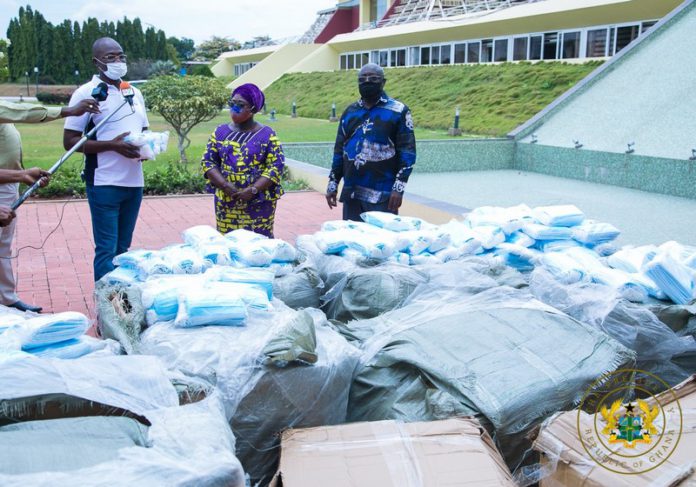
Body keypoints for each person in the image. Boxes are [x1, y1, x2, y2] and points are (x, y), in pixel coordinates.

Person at [0, 98, 98, 312]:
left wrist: (21, 175)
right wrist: (68, 111)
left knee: (3, 246)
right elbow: (23, 112)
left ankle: (6, 299)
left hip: (7, 184)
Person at [64, 37, 149, 282]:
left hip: (134, 182)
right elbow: (70, 142)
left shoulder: (134, 92)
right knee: (106, 250)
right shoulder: (86, 93)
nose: (118, 61)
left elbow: (142, 130)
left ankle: (122, 305)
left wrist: (145, 147)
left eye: (120, 56)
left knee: (123, 251)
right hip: (104, 183)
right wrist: (113, 146)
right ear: (96, 62)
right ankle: (107, 311)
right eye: (110, 57)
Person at [326, 63, 416, 221]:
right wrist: (333, 183)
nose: (367, 82)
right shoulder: (350, 112)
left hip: (382, 193)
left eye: (373, 78)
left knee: (381, 242)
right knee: (353, 241)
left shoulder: (399, 111)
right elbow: (339, 150)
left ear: (383, 82)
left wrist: (399, 188)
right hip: (352, 192)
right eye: (362, 79)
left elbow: (407, 152)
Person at [201, 83, 285, 238]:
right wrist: (225, 186)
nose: (234, 108)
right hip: (227, 203)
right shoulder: (220, 132)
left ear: (253, 109)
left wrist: (253, 189)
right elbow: (208, 162)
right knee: (229, 244)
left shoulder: (267, 135)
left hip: (258, 204)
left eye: (240, 105)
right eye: (232, 104)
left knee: (259, 245)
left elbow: (276, 165)